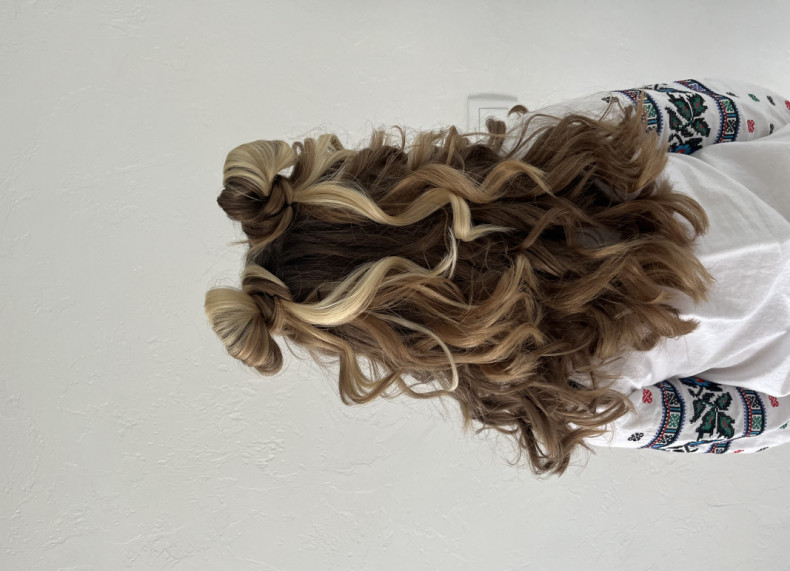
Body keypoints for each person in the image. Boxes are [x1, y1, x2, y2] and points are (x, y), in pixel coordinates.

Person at [205, 78, 790, 476]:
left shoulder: (556, 392)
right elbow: (717, 110)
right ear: (362, 179)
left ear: (376, 334)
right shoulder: (545, 141)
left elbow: (740, 422)